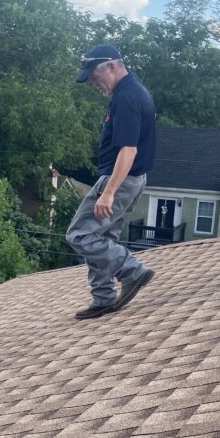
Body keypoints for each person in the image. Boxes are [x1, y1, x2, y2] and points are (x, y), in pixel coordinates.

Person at [65, 44, 157, 319]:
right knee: (102, 237)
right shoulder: (136, 91)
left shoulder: (126, 98)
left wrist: (108, 192)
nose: (94, 83)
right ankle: (103, 297)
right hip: (132, 179)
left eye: (95, 77)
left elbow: (129, 149)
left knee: (79, 234)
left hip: (121, 179)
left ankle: (132, 271)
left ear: (112, 67)